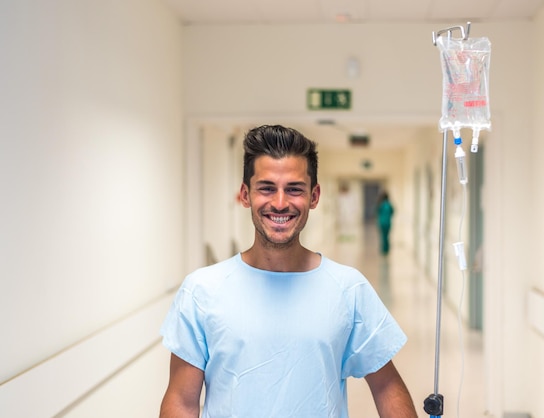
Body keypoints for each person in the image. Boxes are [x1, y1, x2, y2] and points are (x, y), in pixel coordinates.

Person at [159, 125, 418, 418]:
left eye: (294, 189)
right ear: (245, 195)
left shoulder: (348, 288)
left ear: (314, 196)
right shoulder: (202, 290)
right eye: (267, 188)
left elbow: (386, 387)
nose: (280, 203)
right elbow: (181, 400)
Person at [377, 191, 394, 255]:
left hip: (381, 223)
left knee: (383, 236)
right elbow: (392, 212)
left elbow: (377, 213)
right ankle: (387, 249)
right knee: (387, 236)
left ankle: (383, 250)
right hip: (388, 223)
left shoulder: (380, 204)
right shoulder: (389, 205)